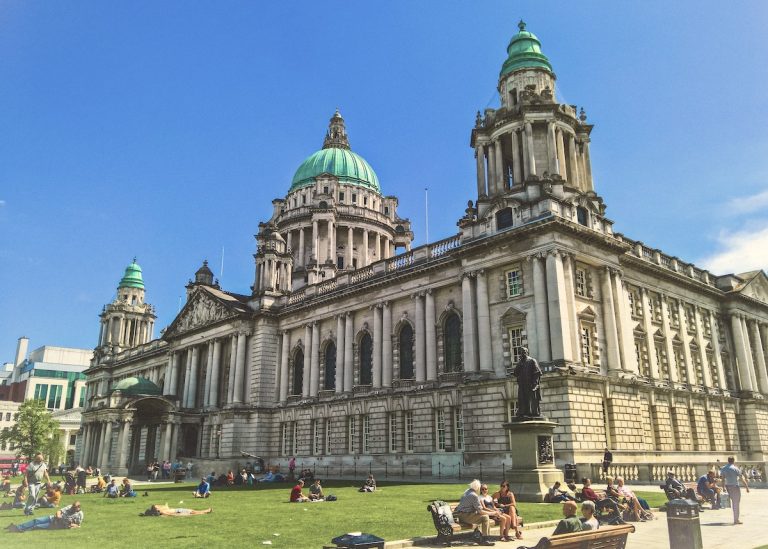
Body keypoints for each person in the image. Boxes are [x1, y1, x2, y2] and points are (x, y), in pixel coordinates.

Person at [453, 480, 493, 546]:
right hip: (465, 516)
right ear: (477, 488)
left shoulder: (466, 492)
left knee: (481, 516)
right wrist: (493, 513)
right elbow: (480, 511)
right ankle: (485, 539)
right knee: (485, 517)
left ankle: (479, 536)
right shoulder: (474, 495)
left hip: (460, 515)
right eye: (480, 488)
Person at [5, 501, 83, 532]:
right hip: (52, 518)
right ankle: (17, 527)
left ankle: (19, 530)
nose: (72, 508)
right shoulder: (70, 507)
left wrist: (70, 524)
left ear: (78, 508)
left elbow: (78, 525)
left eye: (74, 507)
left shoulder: (80, 515)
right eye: (72, 507)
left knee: (37, 526)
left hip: (56, 525)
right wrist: (58, 515)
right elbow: (59, 511)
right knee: (36, 520)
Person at [513, 347, 542, 418]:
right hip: (522, 385)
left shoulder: (532, 361)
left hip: (530, 384)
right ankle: (523, 412)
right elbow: (515, 373)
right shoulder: (520, 363)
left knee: (531, 400)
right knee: (522, 399)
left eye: (523, 352)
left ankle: (533, 413)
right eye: (521, 353)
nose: (522, 354)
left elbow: (537, 372)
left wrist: (535, 384)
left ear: (527, 352)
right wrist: (519, 364)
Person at [720, 456, 750, 525]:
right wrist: (747, 487)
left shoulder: (723, 468)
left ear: (728, 461)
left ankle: (736, 519)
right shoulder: (735, 468)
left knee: (733, 502)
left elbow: (723, 479)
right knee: (736, 503)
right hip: (735, 487)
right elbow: (742, 478)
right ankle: (736, 519)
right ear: (733, 461)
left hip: (728, 486)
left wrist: (723, 487)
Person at [140, 503, 212, 517]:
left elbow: (165, 507)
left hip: (178, 510)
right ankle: (206, 511)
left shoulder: (161, 510)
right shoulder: (161, 512)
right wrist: (177, 515)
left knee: (193, 512)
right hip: (178, 511)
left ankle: (206, 511)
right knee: (193, 512)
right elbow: (170, 514)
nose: (157, 507)